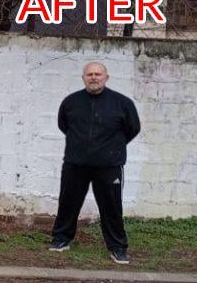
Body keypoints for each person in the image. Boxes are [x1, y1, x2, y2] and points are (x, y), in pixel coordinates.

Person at [49, 62, 141, 265]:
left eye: (98, 74)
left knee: (112, 207)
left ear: (106, 78)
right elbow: (63, 125)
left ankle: (118, 248)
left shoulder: (122, 103)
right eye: (89, 74)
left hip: (109, 166)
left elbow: (133, 128)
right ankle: (61, 239)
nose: (93, 77)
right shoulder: (71, 102)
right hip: (76, 163)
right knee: (68, 202)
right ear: (83, 78)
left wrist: (111, 147)